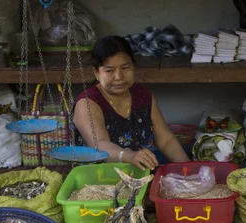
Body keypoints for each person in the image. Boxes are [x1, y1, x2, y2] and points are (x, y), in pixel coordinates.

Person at [73, 36, 189, 170]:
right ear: (96, 72)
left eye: (125, 68)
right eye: (109, 70)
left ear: (133, 67)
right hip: (98, 181)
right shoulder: (88, 102)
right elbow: (100, 144)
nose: (119, 77)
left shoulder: (143, 95)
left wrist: (188, 169)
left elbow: (166, 141)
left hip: (140, 176)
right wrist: (129, 156)